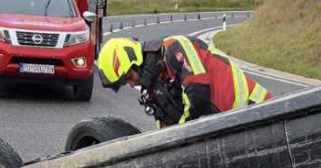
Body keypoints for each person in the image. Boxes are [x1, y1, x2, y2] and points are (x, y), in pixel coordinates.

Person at [97, 35, 272, 127]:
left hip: (260, 111)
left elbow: (198, 97)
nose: (133, 84)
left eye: (129, 77)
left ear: (133, 59)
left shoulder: (175, 48)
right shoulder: (155, 91)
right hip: (232, 128)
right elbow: (167, 131)